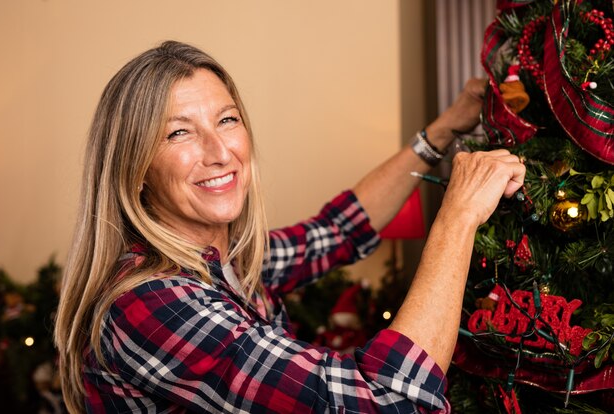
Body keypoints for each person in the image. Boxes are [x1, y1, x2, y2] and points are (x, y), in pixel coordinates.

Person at [54, 40, 525, 413]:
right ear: (135, 168)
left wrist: (442, 131)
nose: (220, 152)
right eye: (179, 132)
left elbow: (338, 229)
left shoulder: (229, 256)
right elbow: (388, 403)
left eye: (227, 119)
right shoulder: (150, 302)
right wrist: (457, 218)